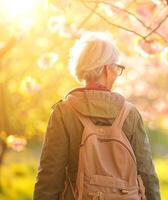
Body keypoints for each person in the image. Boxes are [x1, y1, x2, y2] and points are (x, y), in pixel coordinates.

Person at [33, 32, 161, 200]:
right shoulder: (129, 114)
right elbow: (146, 173)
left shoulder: (63, 112)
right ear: (108, 69)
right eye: (117, 68)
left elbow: (50, 176)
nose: (117, 73)